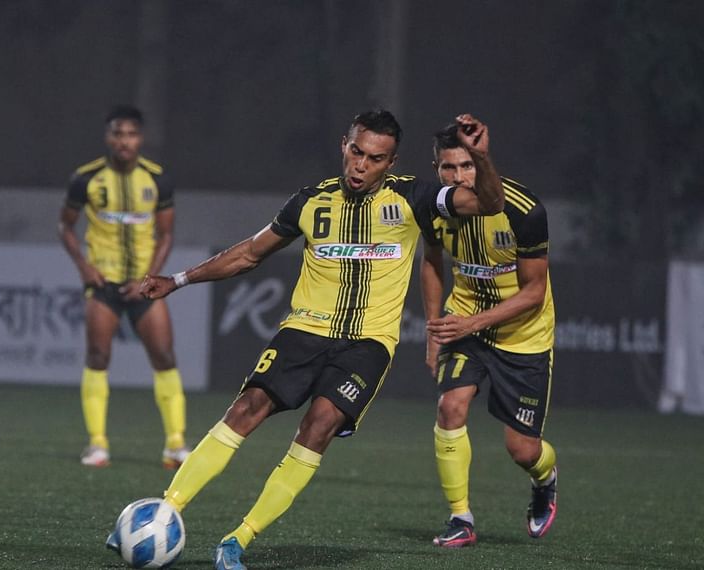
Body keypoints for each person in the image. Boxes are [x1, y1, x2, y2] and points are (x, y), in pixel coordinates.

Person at [135, 110, 504, 569]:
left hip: (367, 345)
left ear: (391, 162)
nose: (360, 165)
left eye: (374, 158)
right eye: (356, 152)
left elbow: (487, 203)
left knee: (320, 424)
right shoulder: (310, 201)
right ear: (343, 146)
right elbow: (250, 253)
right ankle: (168, 508)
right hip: (305, 331)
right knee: (246, 408)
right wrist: (179, 279)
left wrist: (482, 159)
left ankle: (238, 539)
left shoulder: (415, 195)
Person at [420, 122, 557, 548]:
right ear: (437, 167)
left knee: (523, 451)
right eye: (448, 167)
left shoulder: (523, 210)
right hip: (467, 324)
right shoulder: (436, 206)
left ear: (480, 162)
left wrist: (471, 324)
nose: (458, 177)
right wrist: (433, 331)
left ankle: (545, 479)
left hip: (523, 336)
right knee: (450, 407)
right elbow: (431, 261)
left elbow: (534, 292)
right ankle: (460, 517)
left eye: (466, 165)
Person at [58, 104, 190, 469]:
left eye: (131, 134)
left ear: (140, 138)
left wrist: (150, 278)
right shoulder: (86, 179)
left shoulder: (157, 178)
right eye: (117, 133)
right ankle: (97, 444)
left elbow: (166, 235)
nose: (124, 141)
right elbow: (65, 226)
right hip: (103, 283)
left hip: (143, 287)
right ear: (108, 137)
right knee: (98, 357)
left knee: (164, 357)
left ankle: (175, 445)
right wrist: (84, 267)